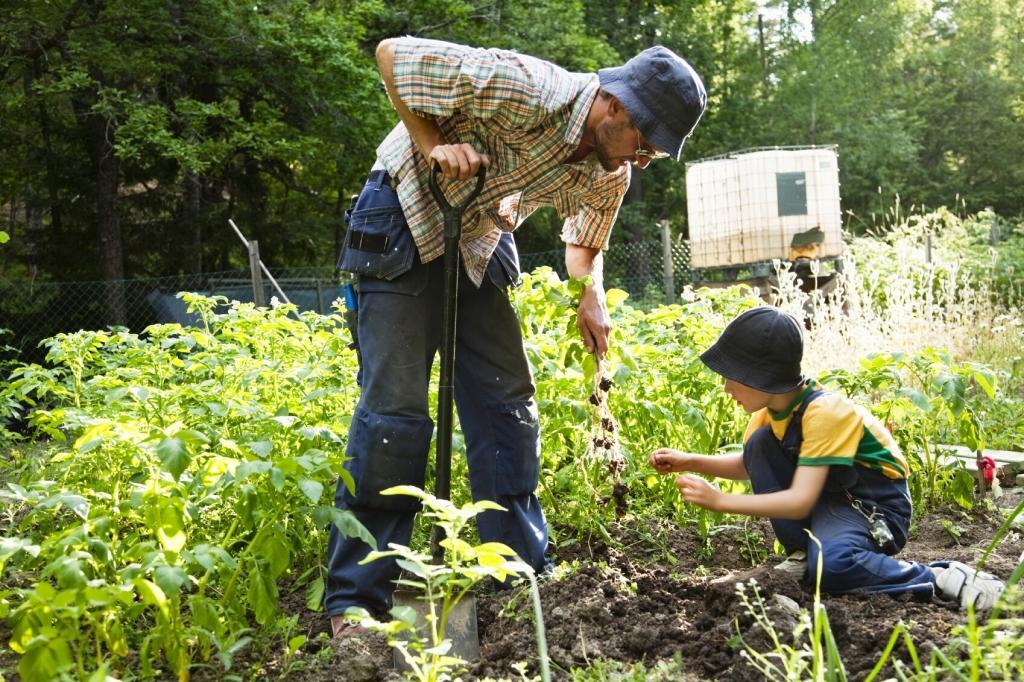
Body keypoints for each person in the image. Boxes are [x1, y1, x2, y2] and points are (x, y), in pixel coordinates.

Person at [326, 37, 708, 636]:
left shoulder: (609, 173)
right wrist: (434, 145)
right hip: (405, 209)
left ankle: (520, 572)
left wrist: (591, 296)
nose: (646, 156)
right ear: (615, 106)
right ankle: (357, 598)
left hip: (478, 230)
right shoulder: (526, 86)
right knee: (394, 415)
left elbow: (584, 242)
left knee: (508, 406)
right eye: (646, 139)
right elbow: (392, 55)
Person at [649, 307, 1006, 610]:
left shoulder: (825, 411)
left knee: (834, 568)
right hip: (830, 500)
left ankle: (939, 576)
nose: (726, 388)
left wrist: (721, 501)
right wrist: (690, 460)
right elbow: (749, 465)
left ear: (760, 377)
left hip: (873, 506)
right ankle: (806, 556)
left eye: (732, 377)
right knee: (758, 445)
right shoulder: (770, 412)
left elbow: (801, 499)